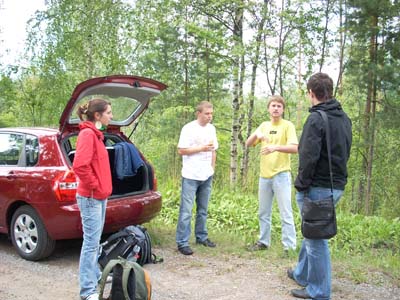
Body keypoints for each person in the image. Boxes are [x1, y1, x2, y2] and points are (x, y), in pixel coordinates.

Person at [288, 73, 352, 300]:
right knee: (312, 231)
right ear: (330, 91)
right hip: (337, 185)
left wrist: (301, 186)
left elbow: (308, 156)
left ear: (311, 93)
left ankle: (319, 291)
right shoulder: (343, 117)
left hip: (317, 187)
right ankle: (301, 273)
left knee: (316, 241)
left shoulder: (316, 119)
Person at [246, 95, 298, 253]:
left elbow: (295, 148)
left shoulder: (287, 126)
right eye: (273, 106)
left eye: (279, 106)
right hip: (264, 176)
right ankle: (263, 242)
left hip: (281, 175)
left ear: (283, 109)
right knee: (263, 212)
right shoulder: (263, 125)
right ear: (268, 108)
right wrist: (257, 135)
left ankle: (289, 247)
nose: (276, 108)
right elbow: (248, 143)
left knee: (286, 212)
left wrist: (274, 147)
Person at [73, 99, 113, 300]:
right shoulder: (88, 134)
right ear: (97, 115)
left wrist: (102, 189)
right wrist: (96, 186)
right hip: (90, 197)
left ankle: (96, 275)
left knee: (96, 241)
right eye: (109, 112)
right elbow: (80, 166)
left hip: (99, 196)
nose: (111, 116)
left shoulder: (97, 135)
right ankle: (88, 290)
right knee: (90, 243)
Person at [176, 101, 218, 255]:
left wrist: (212, 168)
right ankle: (182, 242)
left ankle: (201, 236)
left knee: (203, 209)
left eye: (211, 114)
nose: (210, 116)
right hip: (190, 174)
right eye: (207, 114)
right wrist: (201, 148)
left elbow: (214, 150)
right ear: (198, 113)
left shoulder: (212, 129)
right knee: (186, 210)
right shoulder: (188, 128)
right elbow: (181, 150)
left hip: (206, 174)